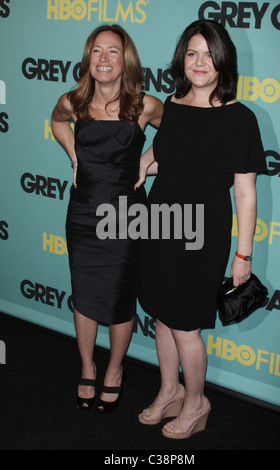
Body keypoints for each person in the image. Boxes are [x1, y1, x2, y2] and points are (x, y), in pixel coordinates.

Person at [135, 20, 266, 439]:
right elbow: (171, 152)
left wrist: (242, 255)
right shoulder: (173, 105)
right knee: (160, 314)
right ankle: (169, 390)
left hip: (201, 233)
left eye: (209, 54)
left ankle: (196, 403)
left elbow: (245, 193)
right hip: (159, 224)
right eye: (192, 53)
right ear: (181, 59)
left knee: (185, 324)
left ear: (223, 60)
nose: (199, 62)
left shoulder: (241, 118)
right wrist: (144, 160)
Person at [51, 24, 163, 413]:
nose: (104, 58)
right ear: (88, 58)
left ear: (125, 59)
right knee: (83, 294)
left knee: (118, 297)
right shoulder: (74, 101)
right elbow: (56, 121)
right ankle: (87, 364)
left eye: (112, 51)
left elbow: (180, 136)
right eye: (97, 51)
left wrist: (148, 162)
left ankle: (114, 370)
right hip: (83, 212)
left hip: (127, 216)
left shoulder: (144, 105)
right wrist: (73, 156)